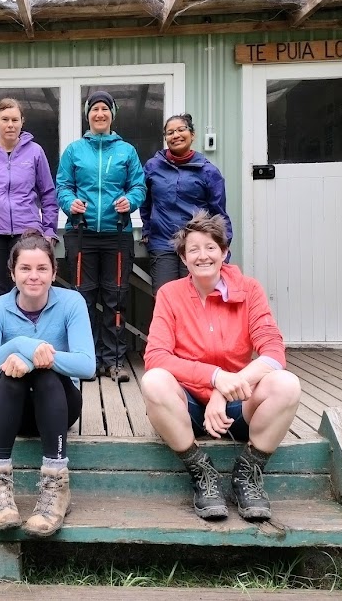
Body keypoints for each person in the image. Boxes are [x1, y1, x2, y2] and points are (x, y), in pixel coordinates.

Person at [142, 211, 300, 522]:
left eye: (211, 247)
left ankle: (248, 472)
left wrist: (224, 390)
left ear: (225, 252)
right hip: (187, 406)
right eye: (193, 249)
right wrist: (214, 377)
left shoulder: (249, 290)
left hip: (238, 405)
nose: (203, 255)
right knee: (154, 381)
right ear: (183, 259)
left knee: (287, 384)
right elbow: (156, 356)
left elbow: (273, 352)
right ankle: (201, 470)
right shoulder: (170, 295)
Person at [0, 231, 96, 537]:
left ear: (54, 272)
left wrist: (37, 360)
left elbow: (87, 365)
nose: (34, 276)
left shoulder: (71, 302)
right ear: (12, 273)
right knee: (10, 377)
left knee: (44, 375)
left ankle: (56, 484)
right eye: (25, 268)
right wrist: (19, 346)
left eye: (42, 268)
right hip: (12, 413)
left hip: (59, 408)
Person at [56, 90, 146, 382]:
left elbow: (139, 187)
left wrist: (130, 201)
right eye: (94, 109)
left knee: (115, 299)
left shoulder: (126, 151)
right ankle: (87, 360)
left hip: (116, 234)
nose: (99, 114)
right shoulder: (74, 150)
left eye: (104, 109)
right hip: (81, 234)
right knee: (82, 299)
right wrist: (70, 203)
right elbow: (63, 186)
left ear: (112, 115)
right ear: (88, 115)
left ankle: (114, 361)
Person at [0, 98, 59, 299]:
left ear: (22, 122)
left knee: (27, 289)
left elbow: (48, 193)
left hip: (27, 231)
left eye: (15, 120)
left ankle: (27, 323)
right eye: (5, 119)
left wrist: (49, 229)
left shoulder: (35, 152)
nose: (10, 125)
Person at [141, 113, 232, 294]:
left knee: (196, 296)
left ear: (192, 134)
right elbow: (144, 202)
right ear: (165, 138)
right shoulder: (152, 167)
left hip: (197, 246)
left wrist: (223, 247)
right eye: (170, 132)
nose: (176, 135)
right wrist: (147, 230)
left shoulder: (208, 171)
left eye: (181, 130)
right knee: (165, 296)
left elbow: (218, 213)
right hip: (163, 243)